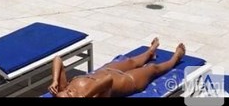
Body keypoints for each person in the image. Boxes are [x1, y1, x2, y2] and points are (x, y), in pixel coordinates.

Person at [48, 38, 186, 98]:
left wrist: (55, 80)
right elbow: (107, 80)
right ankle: (176, 58)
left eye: (64, 93)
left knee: (131, 61)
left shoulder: (62, 87)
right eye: (69, 95)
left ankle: (149, 52)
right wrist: (87, 94)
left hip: (106, 69)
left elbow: (57, 59)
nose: (68, 91)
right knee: (152, 69)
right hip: (128, 81)